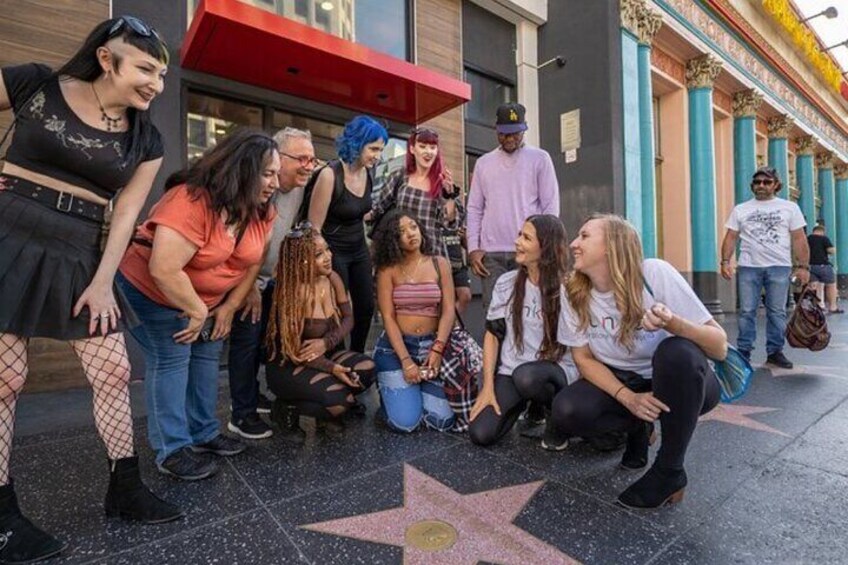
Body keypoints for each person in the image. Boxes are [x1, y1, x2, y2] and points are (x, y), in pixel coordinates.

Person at [0, 16, 180, 562]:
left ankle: (124, 488)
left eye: (162, 74)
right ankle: (1, 516)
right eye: (146, 69)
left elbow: (125, 215)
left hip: (81, 246)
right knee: (6, 378)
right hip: (10, 230)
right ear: (107, 58)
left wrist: (104, 281)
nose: (156, 84)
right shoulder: (36, 82)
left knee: (114, 369)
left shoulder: (147, 139)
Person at [117, 129, 279, 481]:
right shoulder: (189, 200)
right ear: (243, 168)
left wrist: (230, 305)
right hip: (154, 291)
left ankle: (203, 433)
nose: (275, 183)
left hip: (207, 300)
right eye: (268, 174)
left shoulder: (260, 210)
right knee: (172, 357)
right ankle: (172, 448)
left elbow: (253, 261)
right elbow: (163, 268)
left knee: (206, 356)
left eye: (276, 174)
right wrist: (198, 310)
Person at [554, 214, 727, 509]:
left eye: (584, 236)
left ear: (612, 245)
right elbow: (582, 358)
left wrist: (673, 323)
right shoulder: (572, 289)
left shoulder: (654, 273)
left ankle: (669, 471)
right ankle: (639, 427)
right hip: (621, 378)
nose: (573, 244)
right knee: (567, 410)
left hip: (679, 382)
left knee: (677, 352)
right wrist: (628, 398)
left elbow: (719, 346)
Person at [226, 127, 318, 440]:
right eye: (301, 159)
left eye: (312, 159)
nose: (308, 166)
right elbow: (236, 240)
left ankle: (252, 396)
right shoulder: (259, 187)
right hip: (246, 279)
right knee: (246, 343)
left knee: (262, 344)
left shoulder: (301, 188)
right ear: (278, 158)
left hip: (274, 280)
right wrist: (249, 285)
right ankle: (241, 414)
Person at [468, 215, 578, 449]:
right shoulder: (506, 283)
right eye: (520, 235)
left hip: (555, 371)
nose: (517, 242)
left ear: (545, 247)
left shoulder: (569, 288)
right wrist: (487, 387)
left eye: (526, 238)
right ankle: (529, 405)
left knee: (528, 377)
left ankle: (554, 418)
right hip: (513, 371)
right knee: (481, 433)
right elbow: (492, 335)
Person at [372, 210, 480, 433]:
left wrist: (438, 349)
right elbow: (388, 317)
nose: (411, 234)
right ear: (393, 240)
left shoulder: (439, 263)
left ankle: (410, 393)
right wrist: (406, 361)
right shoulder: (387, 270)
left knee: (442, 421)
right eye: (401, 232)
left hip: (431, 347)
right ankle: (391, 397)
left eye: (413, 227)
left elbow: (448, 310)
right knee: (406, 424)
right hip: (396, 350)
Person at [265, 225, 376, 438]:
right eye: (318, 254)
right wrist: (333, 368)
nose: (328, 257)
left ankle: (324, 412)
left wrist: (327, 342)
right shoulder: (292, 294)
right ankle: (285, 407)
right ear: (301, 261)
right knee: (342, 401)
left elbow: (349, 318)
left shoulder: (332, 278)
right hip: (289, 366)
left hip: (322, 354)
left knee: (367, 369)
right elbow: (296, 352)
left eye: (327, 249)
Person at [466, 102, 560, 313]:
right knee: (495, 314)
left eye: (515, 133)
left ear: (524, 130)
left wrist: (545, 247)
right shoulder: (483, 163)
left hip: (529, 250)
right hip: (491, 253)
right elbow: (474, 208)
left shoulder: (540, 159)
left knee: (530, 311)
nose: (509, 139)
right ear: (496, 130)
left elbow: (550, 207)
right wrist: (473, 248)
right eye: (504, 134)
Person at [308, 115, 387, 353]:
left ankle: (357, 355)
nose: (377, 156)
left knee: (365, 306)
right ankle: (337, 355)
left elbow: (361, 212)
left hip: (358, 249)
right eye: (373, 149)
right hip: (333, 251)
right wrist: (322, 264)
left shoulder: (368, 174)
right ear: (357, 143)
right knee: (338, 310)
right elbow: (313, 229)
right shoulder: (330, 175)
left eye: (381, 150)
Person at [371, 126, 470, 312]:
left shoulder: (441, 182)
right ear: (412, 149)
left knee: (434, 309)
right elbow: (377, 209)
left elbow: (451, 222)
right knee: (399, 307)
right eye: (422, 146)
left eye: (432, 147)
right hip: (400, 252)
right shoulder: (399, 177)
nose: (428, 152)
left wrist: (449, 195)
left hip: (432, 253)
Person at [720, 166, 810, 368]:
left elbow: (799, 238)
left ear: (776, 185)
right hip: (748, 266)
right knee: (747, 311)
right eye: (757, 182)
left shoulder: (789, 208)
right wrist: (725, 261)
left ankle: (775, 351)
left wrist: (803, 267)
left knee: (777, 311)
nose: (761, 185)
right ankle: (744, 351)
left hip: (779, 266)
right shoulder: (741, 209)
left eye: (767, 182)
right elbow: (731, 236)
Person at [807, 224, 842, 314]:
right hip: (823, 266)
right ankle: (833, 307)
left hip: (810, 266)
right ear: (822, 231)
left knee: (814, 286)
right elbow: (831, 251)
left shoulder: (808, 238)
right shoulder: (823, 238)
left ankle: (818, 306)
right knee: (831, 285)